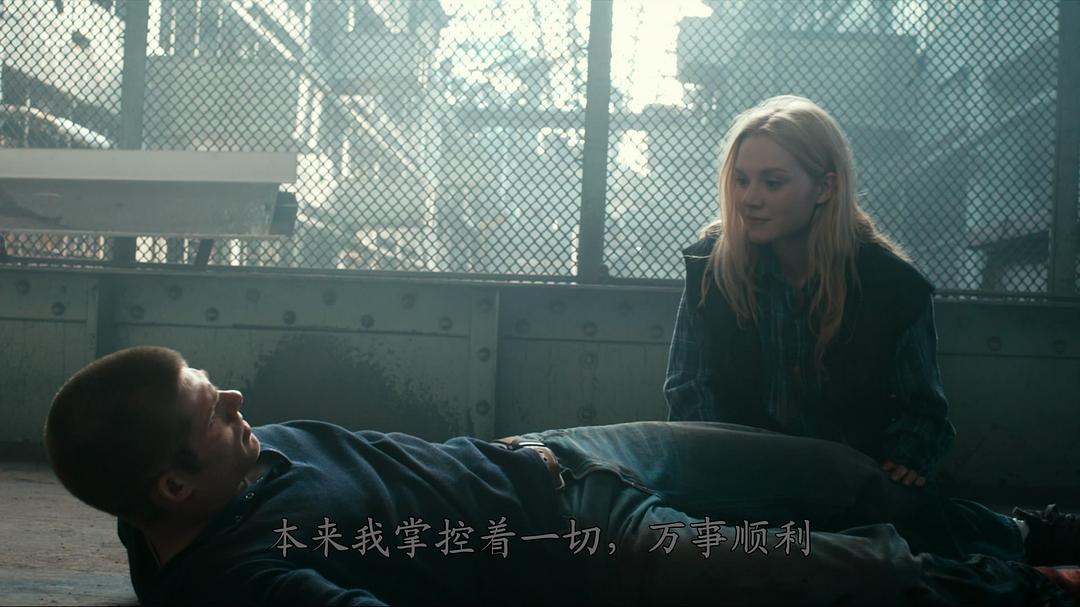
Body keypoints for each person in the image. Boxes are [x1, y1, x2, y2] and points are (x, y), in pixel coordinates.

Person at [45, 346, 1079, 605]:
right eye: (211, 409)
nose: (235, 400)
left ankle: (1026, 531)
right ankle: (1032, 586)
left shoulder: (176, 489)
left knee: (840, 476)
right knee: (845, 566)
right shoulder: (240, 576)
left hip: (563, 451)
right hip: (589, 548)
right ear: (174, 485)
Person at [665, 96, 953, 488]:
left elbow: (923, 410)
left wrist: (904, 459)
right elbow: (688, 386)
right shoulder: (712, 269)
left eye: (772, 182)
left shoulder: (894, 287)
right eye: (741, 180)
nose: (749, 198)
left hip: (850, 487)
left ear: (824, 187)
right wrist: (722, 466)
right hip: (738, 480)